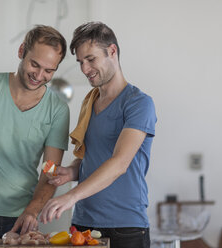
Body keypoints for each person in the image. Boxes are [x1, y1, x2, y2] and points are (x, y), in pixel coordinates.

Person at [39, 21, 157, 248]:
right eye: (80, 62)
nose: (84, 69)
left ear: (112, 51)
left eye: (91, 59)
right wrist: (71, 172)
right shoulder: (89, 102)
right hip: (82, 224)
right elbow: (88, 157)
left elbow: (120, 163)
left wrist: (71, 196)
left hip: (125, 227)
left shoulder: (139, 103)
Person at [0, 25, 70, 245]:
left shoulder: (58, 111)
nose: (39, 75)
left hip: (18, 218)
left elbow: (50, 169)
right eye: (34, 64)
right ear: (21, 51)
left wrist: (32, 211)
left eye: (49, 70)